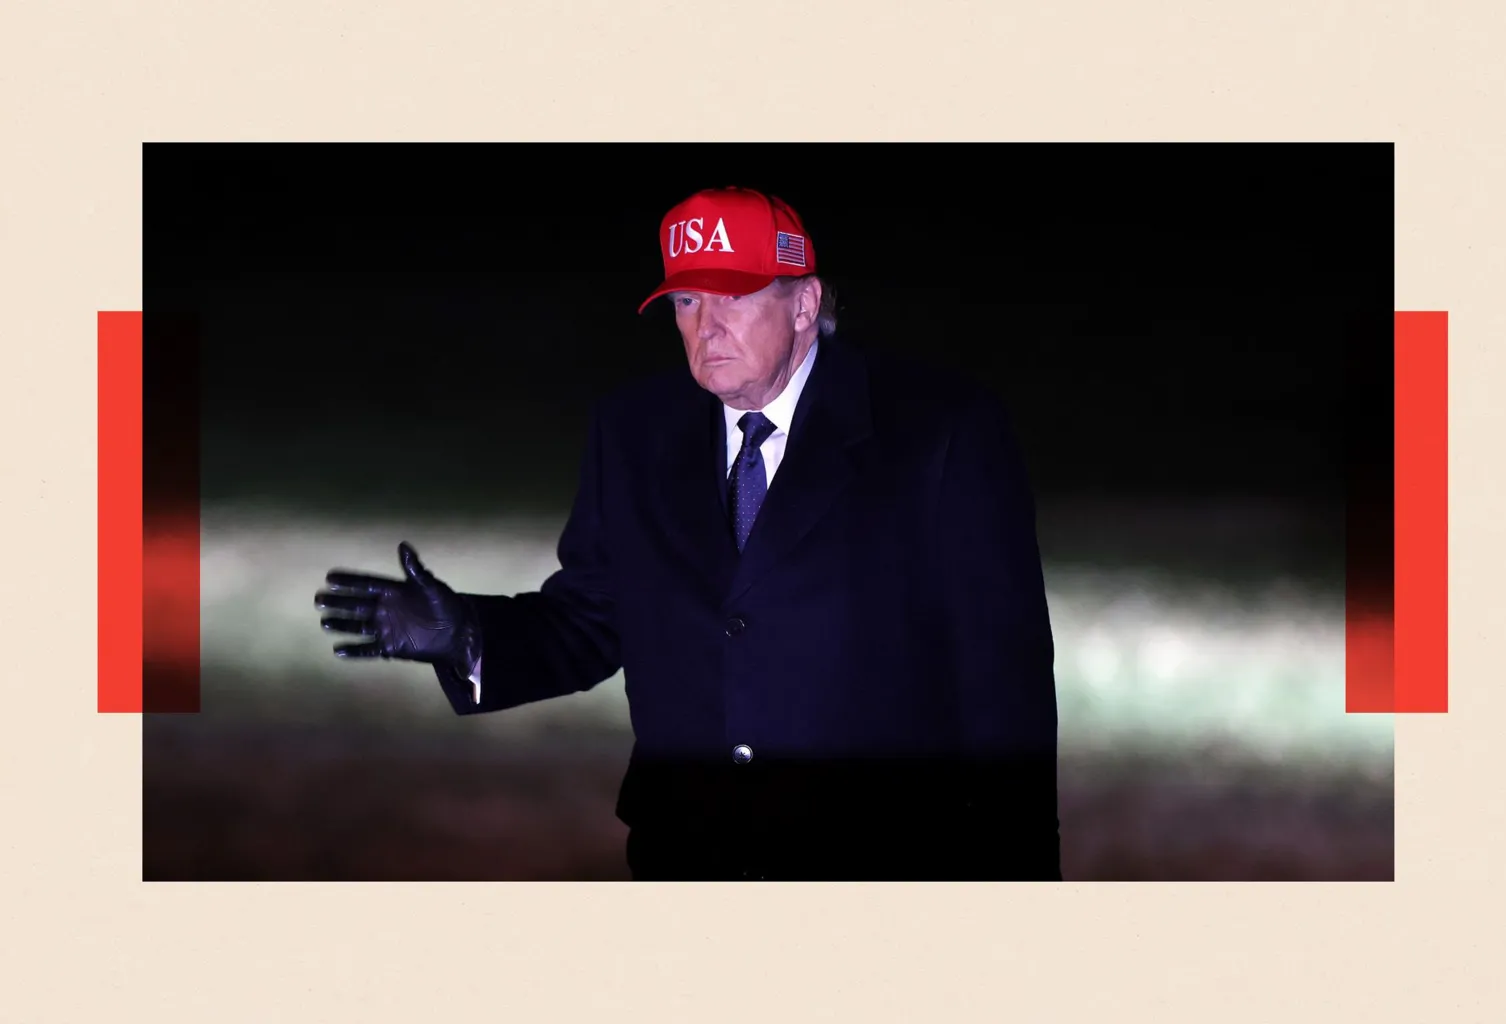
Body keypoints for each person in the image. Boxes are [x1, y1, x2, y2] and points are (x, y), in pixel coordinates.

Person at [314, 186, 1060, 881]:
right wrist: (469, 635)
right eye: (687, 301)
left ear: (803, 304)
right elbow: (594, 617)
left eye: (733, 297)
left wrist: (1017, 881)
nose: (707, 327)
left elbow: (1003, 687)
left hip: (880, 868)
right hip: (690, 859)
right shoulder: (635, 432)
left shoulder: (940, 433)